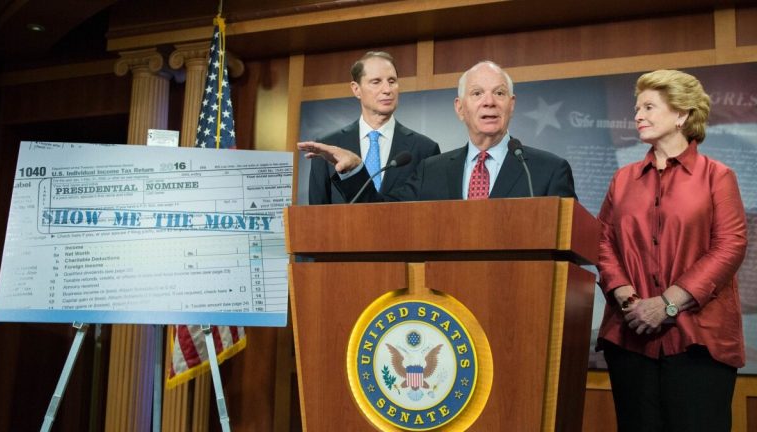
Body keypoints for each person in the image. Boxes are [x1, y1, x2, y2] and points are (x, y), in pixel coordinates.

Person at [595, 69, 748, 432]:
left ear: (681, 114)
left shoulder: (718, 176)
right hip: (630, 338)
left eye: (649, 107)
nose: (637, 115)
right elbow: (603, 241)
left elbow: (730, 246)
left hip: (700, 341)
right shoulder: (622, 179)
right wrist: (627, 297)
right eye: (637, 108)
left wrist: (667, 304)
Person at [299, 60, 576, 202]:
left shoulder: (548, 171)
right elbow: (382, 214)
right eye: (477, 93)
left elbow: (573, 246)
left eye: (499, 93)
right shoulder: (431, 170)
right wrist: (355, 170)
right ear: (460, 108)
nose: (489, 101)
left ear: (511, 105)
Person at [307, 51, 441, 204]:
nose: (387, 90)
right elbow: (316, 213)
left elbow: (431, 211)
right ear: (356, 89)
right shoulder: (328, 148)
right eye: (376, 82)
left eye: (392, 81)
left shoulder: (425, 149)